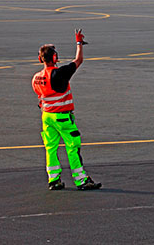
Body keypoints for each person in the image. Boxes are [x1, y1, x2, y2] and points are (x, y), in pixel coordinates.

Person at [31, 29, 101, 191]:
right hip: (62, 117)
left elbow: (41, 98)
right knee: (72, 146)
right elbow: (78, 60)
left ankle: (54, 179)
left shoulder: (36, 78)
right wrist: (79, 43)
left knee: (51, 148)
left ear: (40, 59)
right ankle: (81, 179)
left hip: (47, 117)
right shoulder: (59, 73)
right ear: (54, 58)